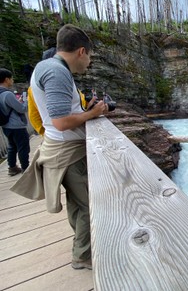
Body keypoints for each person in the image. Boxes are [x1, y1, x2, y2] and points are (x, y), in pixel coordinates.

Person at [12, 24, 108, 270]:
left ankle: (82, 247)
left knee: (78, 204)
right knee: (89, 206)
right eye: (90, 57)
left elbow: (61, 115)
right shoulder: (57, 72)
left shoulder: (45, 68)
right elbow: (62, 121)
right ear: (81, 51)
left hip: (60, 149)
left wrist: (87, 112)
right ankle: (84, 256)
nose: (88, 63)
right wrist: (93, 113)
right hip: (67, 152)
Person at [0, 68, 30, 176]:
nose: (12, 80)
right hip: (16, 126)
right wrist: (26, 101)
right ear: (6, 79)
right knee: (23, 147)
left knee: (12, 146)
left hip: (6, 126)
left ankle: (12, 167)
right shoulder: (7, 94)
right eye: (11, 78)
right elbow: (21, 109)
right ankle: (26, 169)